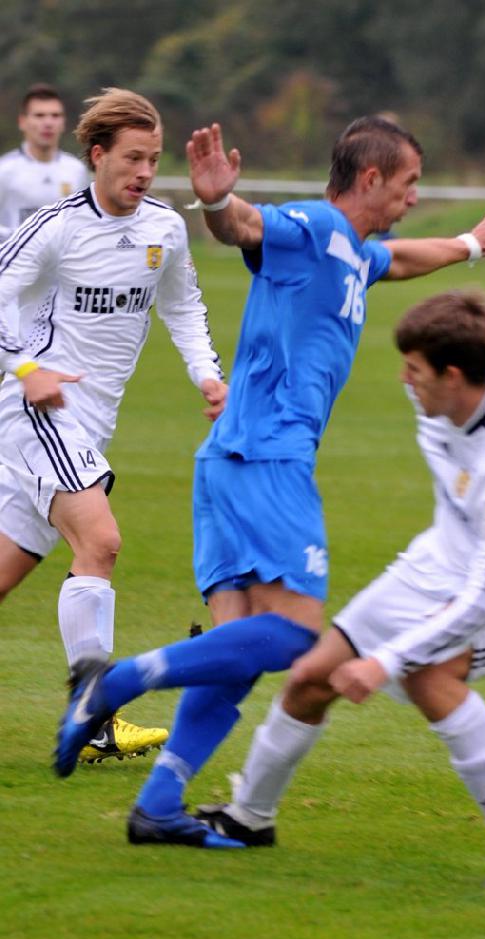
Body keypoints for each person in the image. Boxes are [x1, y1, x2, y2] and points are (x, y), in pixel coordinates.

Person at [55, 115, 485, 846]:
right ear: (371, 178)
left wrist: (475, 243)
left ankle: (160, 805)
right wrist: (219, 204)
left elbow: (402, 258)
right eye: (408, 183)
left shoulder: (354, 252)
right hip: (268, 457)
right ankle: (116, 681)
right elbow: (248, 227)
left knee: (235, 653)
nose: (413, 198)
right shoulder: (312, 226)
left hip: (229, 458)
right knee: (292, 639)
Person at [56, 289, 485, 880]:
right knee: (310, 676)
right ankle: (250, 816)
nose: (403, 379)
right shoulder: (449, 398)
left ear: (454, 376)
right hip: (442, 557)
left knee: (429, 675)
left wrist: (384, 661)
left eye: (416, 370)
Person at [0, 88, 226, 764]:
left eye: (153, 160)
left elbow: (184, 308)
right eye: (132, 158)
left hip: (89, 425)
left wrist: (207, 375)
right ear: (96, 156)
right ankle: (95, 714)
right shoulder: (56, 227)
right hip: (36, 411)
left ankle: (93, 716)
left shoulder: (164, 228)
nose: (145, 172)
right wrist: (26, 368)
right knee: (100, 540)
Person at [0, 84, 89, 243]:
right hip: (15, 265)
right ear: (22, 122)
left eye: (55, 116)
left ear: (63, 122)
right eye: (39, 115)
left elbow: (83, 224)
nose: (48, 123)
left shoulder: (76, 170)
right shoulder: (4, 170)